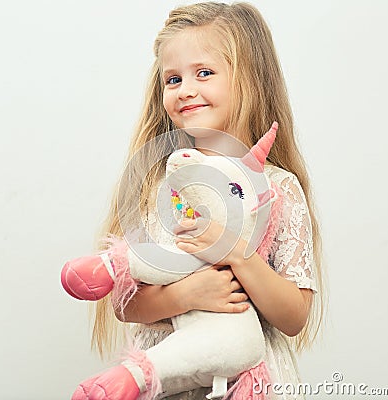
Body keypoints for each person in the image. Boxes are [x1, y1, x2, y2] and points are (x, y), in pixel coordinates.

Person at [86, 2, 324, 399]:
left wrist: (237, 254)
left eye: (204, 73)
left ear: (249, 78)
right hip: (169, 376)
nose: (186, 90)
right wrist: (186, 295)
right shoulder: (157, 185)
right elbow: (126, 304)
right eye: (173, 79)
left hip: (246, 377)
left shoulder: (277, 188)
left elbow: (294, 316)